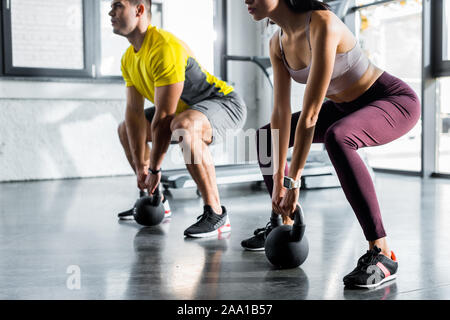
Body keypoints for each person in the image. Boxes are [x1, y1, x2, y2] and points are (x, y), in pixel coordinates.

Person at [241, 0, 420, 288]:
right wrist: (277, 180)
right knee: (265, 137)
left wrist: (292, 181)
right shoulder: (277, 43)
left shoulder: (322, 23)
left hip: (391, 101)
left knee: (339, 137)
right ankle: (283, 223)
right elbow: (280, 113)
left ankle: (382, 253)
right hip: (343, 107)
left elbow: (310, 114)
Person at [111, 0, 247, 237]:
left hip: (225, 104)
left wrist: (154, 168)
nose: (110, 12)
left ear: (139, 9)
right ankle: (154, 199)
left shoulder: (164, 47)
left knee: (183, 126)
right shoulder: (128, 58)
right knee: (125, 129)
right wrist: (142, 168)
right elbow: (134, 114)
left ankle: (216, 213)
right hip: (185, 112)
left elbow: (164, 118)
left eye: (117, 5)